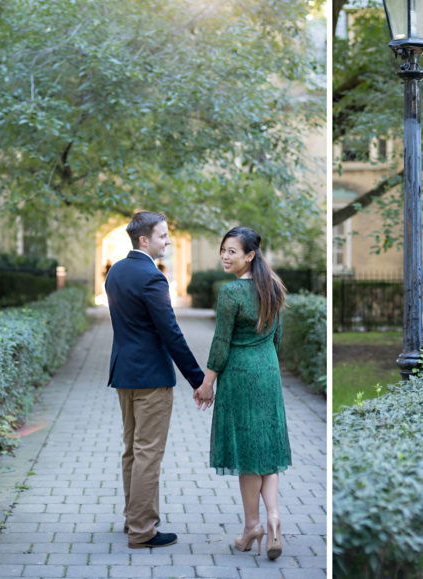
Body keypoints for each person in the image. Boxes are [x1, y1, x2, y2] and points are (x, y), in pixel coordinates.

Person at [105, 211, 205, 549]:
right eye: (163, 235)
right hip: (151, 379)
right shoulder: (153, 277)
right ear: (144, 239)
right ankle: (143, 530)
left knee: (132, 451)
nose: (167, 241)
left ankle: (132, 519)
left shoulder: (115, 272)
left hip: (125, 374)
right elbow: (171, 333)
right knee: (148, 452)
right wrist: (198, 379)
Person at [194, 227, 292, 560]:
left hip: (239, 373)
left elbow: (221, 343)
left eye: (231, 251)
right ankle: (274, 518)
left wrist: (207, 382)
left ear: (249, 255)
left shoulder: (232, 292)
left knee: (248, 452)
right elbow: (277, 337)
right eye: (223, 250)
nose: (224, 256)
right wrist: (266, 361)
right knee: (267, 446)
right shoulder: (274, 287)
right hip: (268, 370)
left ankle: (253, 525)